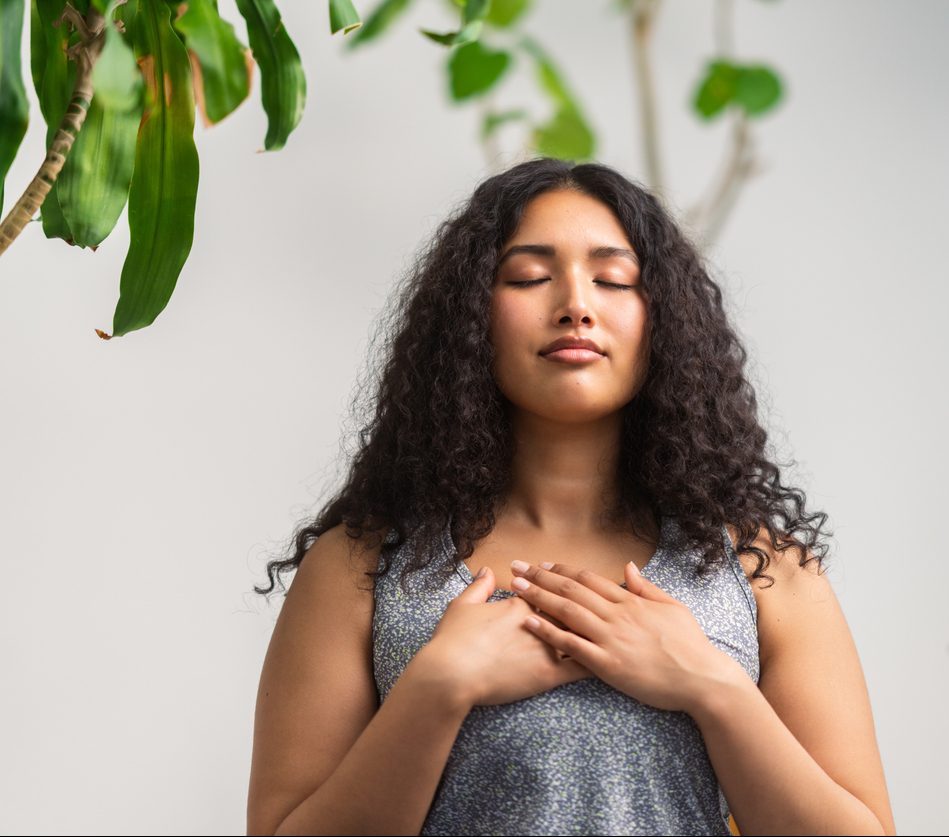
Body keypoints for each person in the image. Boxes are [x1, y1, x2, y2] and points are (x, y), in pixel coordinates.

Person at [245, 158, 896, 836]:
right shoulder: (359, 564)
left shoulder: (763, 566)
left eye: (612, 279)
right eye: (529, 276)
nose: (575, 305)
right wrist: (435, 688)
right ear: (469, 315)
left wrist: (711, 684)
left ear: (662, 318)